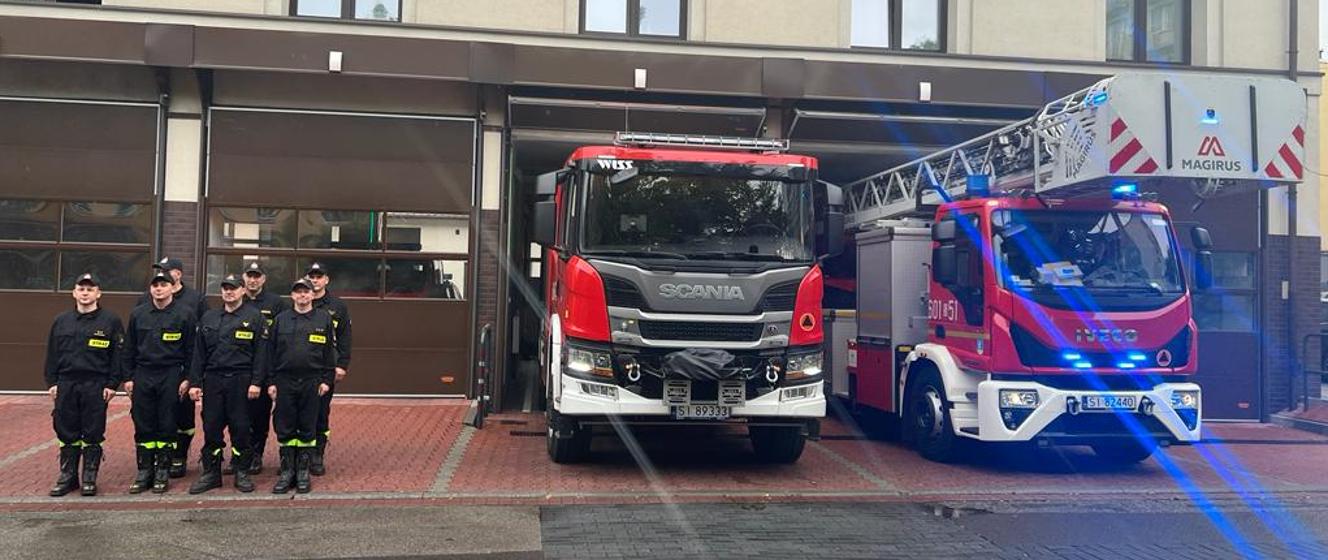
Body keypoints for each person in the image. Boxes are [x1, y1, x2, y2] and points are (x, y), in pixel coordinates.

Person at [43, 273, 125, 497]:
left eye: (90, 289)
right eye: (81, 289)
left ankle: (89, 477)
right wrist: (52, 382)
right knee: (66, 430)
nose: (85, 293)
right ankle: (68, 476)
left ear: (98, 293)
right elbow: (52, 354)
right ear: (74, 293)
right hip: (66, 383)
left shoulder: (110, 321)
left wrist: (112, 384)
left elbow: (117, 356)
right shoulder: (61, 321)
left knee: (93, 431)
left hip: (95, 384)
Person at [187, 274, 266, 494]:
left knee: (241, 427)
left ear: (242, 291)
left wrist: (257, 382)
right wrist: (195, 382)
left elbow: (262, 354)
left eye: (233, 288)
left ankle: (242, 472)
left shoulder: (254, 317)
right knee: (211, 427)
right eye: (225, 288)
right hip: (213, 380)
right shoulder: (209, 317)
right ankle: (211, 474)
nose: (229, 292)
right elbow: (198, 354)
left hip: (241, 380)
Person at [124, 269, 197, 494]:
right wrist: (128, 377)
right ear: (150, 288)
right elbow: (129, 348)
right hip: (143, 373)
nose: (158, 289)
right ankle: (145, 471)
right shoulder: (138, 314)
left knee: (167, 422)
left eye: (163, 285)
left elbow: (192, 350)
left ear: (172, 287)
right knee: (143, 422)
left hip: (171, 373)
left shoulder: (185, 314)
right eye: (155, 285)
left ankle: (163, 472)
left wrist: (187, 378)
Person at [138, 257, 208, 478]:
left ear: (178, 274)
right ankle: (156, 461)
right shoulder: (144, 300)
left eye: (166, 271)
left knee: (183, 416)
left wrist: (192, 376)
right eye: (158, 271)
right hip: (150, 372)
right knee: (152, 416)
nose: (161, 277)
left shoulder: (195, 299)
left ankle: (179, 456)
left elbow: (200, 339)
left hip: (179, 370)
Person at [266, 278, 336, 494]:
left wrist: (326, 380)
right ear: (292, 296)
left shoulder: (323, 319)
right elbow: (269, 353)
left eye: (306, 292)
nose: (302, 295)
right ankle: (287, 471)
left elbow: (329, 353)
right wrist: (271, 382)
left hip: (311, 380)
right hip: (284, 380)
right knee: (285, 425)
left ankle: (303, 472)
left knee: (307, 425)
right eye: (298, 292)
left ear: (313, 295)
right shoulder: (281, 320)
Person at [236, 261, 288, 475]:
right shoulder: (236, 299)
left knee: (259, 415)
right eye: (249, 276)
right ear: (243, 278)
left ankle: (256, 454)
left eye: (257, 276)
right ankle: (240, 455)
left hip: (265, 368)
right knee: (238, 415)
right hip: (240, 368)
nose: (253, 280)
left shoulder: (276, 303)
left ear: (264, 279)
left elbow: (282, 336)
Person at [306, 262, 351, 476]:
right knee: (298, 412)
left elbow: (345, 337)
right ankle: (298, 457)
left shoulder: (337, 306)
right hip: (301, 368)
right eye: (311, 276)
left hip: (325, 368)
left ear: (326, 280)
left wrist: (342, 365)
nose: (315, 280)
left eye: (318, 277)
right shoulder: (299, 301)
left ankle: (317, 455)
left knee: (321, 413)